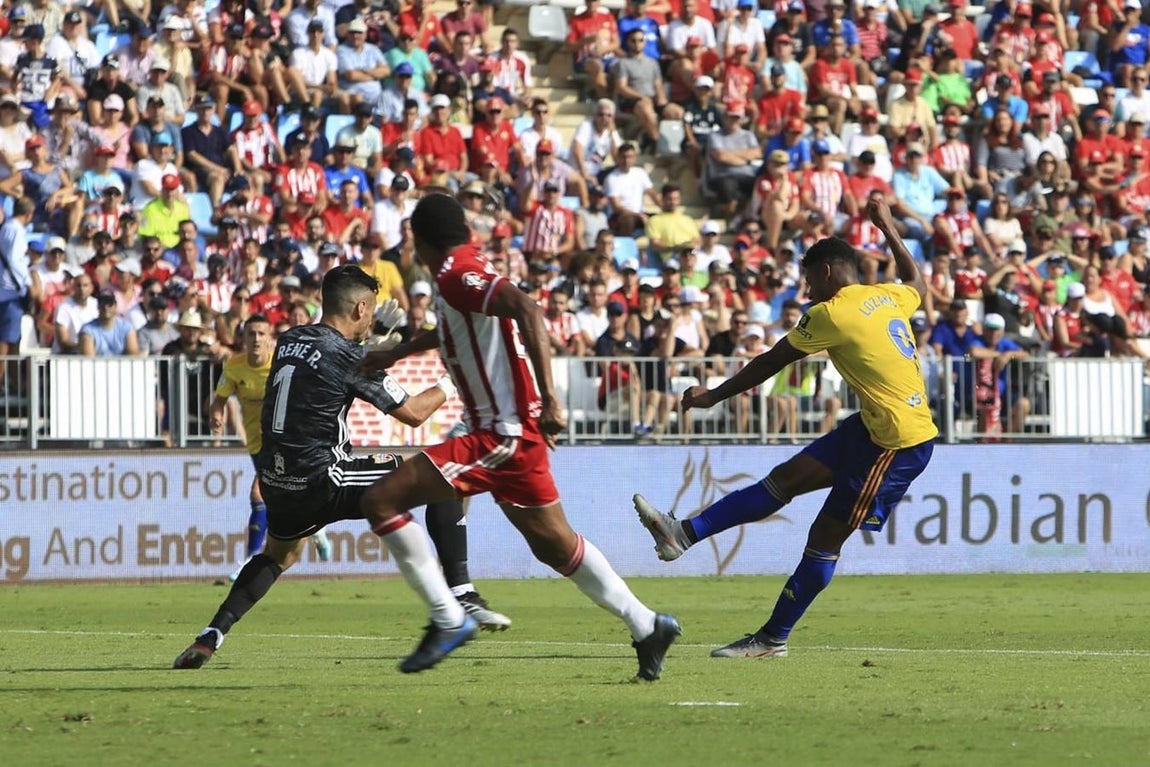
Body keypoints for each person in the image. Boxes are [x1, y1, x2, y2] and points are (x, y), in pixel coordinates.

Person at [353, 193, 681, 678]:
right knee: (554, 545)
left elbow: (527, 309)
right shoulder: (462, 273)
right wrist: (393, 355)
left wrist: (551, 399)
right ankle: (647, 624)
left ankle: (448, 618)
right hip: (513, 435)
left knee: (381, 500)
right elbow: (459, 329)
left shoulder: (458, 274)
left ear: (420, 242)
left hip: (499, 433)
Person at [633, 197, 936, 658]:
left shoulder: (831, 313)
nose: (806, 285)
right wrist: (889, 227)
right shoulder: (887, 296)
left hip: (896, 443)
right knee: (784, 481)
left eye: (809, 277)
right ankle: (683, 534)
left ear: (829, 274)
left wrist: (712, 396)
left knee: (823, 540)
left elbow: (771, 361)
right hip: (874, 427)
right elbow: (916, 281)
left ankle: (773, 638)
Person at [172, 267, 470, 669]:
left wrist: (374, 337)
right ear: (361, 307)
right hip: (324, 475)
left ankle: (212, 634)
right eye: (369, 313)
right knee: (441, 476)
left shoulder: (291, 340)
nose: (370, 320)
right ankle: (461, 594)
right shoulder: (347, 357)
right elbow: (414, 413)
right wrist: (454, 381)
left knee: (278, 557)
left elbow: (331, 358)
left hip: (278, 480)